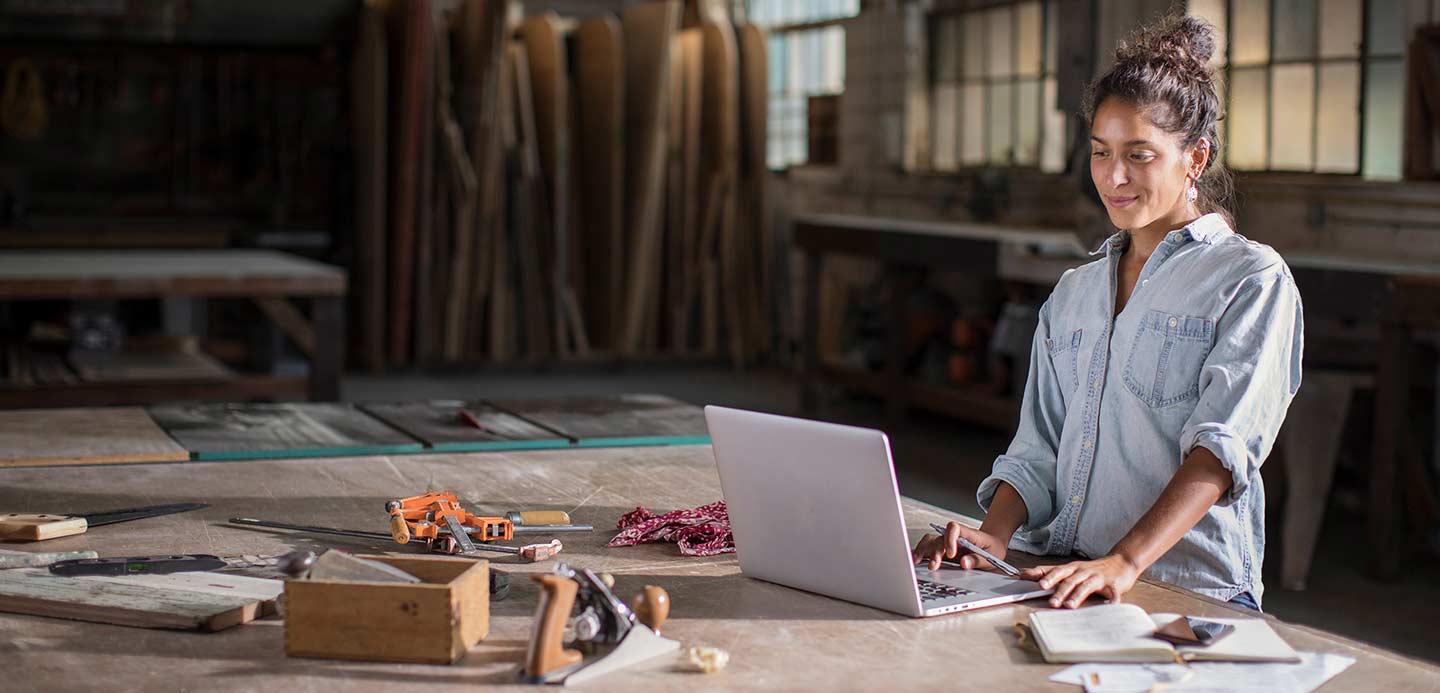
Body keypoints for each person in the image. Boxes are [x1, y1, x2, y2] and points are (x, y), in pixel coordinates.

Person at [913, 14, 1303, 613]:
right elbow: (1038, 446)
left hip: (1186, 590)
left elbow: (1222, 453)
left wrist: (1125, 562)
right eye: (1100, 153)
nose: (1113, 177)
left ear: (1195, 158)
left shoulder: (1250, 281)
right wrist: (994, 536)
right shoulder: (1073, 293)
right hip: (1064, 575)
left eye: (1139, 155)